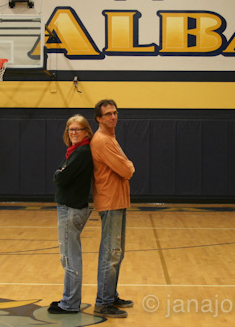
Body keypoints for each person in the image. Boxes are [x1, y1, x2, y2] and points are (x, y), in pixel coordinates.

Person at [90, 99, 135, 318]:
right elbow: (127, 170)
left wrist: (127, 165)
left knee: (117, 253)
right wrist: (129, 166)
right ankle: (103, 302)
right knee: (110, 254)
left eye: (115, 113)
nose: (113, 117)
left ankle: (111, 295)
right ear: (99, 118)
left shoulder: (110, 138)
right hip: (110, 202)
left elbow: (124, 167)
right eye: (108, 114)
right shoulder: (102, 141)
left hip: (118, 201)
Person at [48, 114, 94, 314]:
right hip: (71, 208)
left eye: (78, 129)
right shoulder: (74, 150)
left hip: (71, 208)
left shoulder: (82, 152)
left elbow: (60, 177)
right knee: (69, 256)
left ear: (86, 132)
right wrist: (60, 172)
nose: (74, 132)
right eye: (71, 129)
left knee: (70, 258)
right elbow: (61, 173)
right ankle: (68, 299)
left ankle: (70, 303)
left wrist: (59, 172)